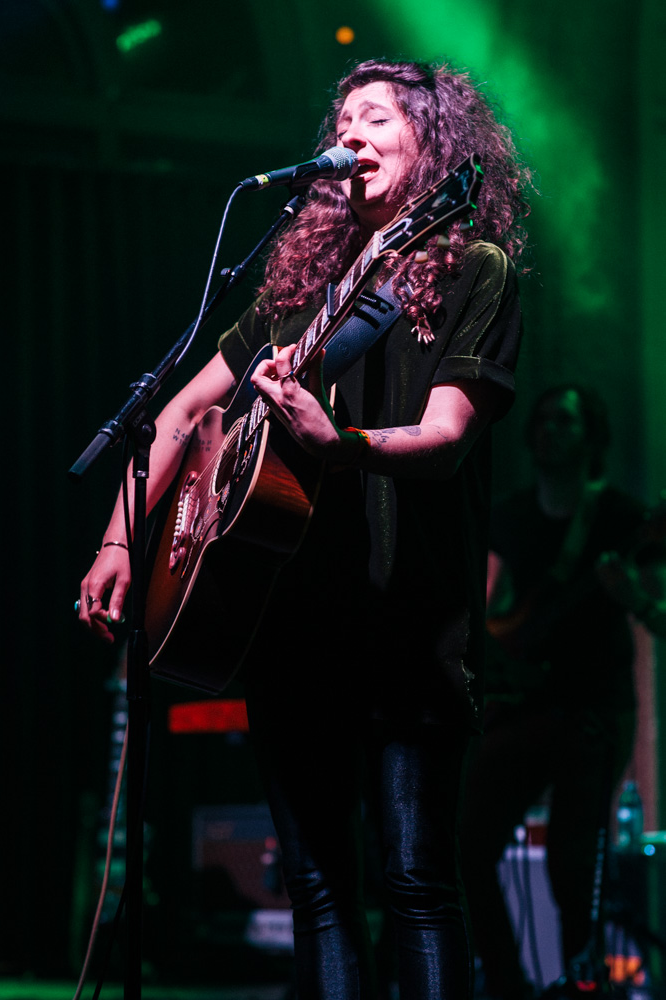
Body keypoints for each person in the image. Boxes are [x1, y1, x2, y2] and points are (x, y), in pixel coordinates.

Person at [78, 58, 533, 999]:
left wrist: (340, 442)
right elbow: (179, 416)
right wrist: (119, 541)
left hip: (409, 628)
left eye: (377, 118)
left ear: (430, 142)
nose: (353, 134)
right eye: (344, 120)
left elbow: (447, 437)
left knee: (414, 885)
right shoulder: (293, 297)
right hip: (289, 627)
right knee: (318, 890)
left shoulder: (474, 271)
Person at [461, 384, 666, 1000]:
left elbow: (660, 616)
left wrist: (631, 595)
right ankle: (507, 984)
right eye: (544, 421)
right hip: (523, 707)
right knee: (465, 847)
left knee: (572, 866)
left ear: (591, 437)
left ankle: (583, 984)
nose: (551, 431)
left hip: (592, 712)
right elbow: (488, 615)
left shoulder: (623, 520)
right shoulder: (512, 517)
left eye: (566, 422)